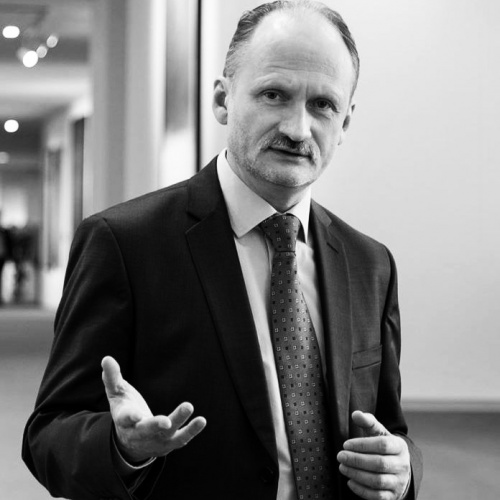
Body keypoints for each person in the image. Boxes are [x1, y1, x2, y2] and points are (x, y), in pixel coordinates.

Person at [23, 1, 423, 499]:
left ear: (344, 123)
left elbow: (391, 430)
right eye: (274, 94)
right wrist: (123, 447)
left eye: (323, 104)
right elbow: (49, 434)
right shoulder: (124, 244)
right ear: (222, 99)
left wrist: (401, 469)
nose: (298, 129)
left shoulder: (370, 264)